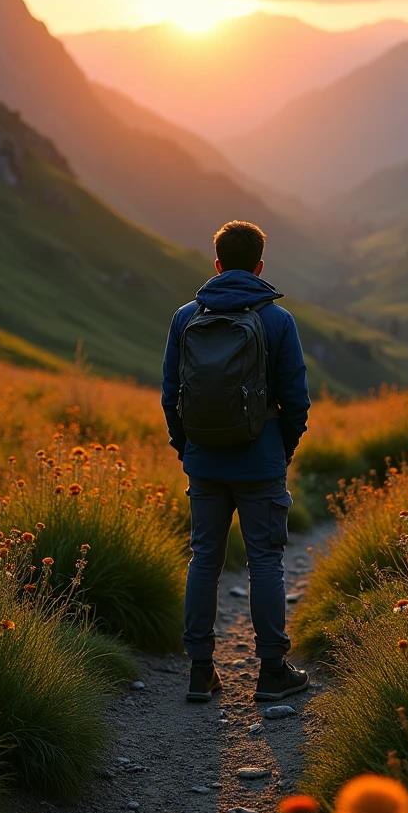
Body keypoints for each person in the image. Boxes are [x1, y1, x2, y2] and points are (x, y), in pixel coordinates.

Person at [161, 220, 311, 703]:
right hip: (260, 461)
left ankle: (200, 671)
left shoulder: (185, 317)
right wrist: (279, 449)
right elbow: (296, 401)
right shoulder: (277, 321)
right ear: (260, 266)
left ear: (218, 264)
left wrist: (187, 447)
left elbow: (170, 395)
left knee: (204, 558)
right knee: (265, 560)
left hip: (204, 462)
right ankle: (271, 673)